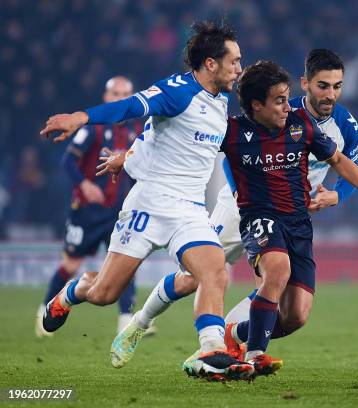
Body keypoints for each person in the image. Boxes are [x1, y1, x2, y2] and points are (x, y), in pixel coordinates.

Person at [108, 49, 358, 372]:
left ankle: (227, 342)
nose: (330, 94)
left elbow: (349, 168)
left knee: (275, 287)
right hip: (240, 207)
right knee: (192, 278)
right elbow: (223, 148)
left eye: (337, 86)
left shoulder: (347, 126)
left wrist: (337, 196)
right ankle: (139, 323)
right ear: (306, 84)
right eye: (323, 85)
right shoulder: (281, 108)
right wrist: (242, 192)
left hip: (285, 214)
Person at [39, 21, 253, 381]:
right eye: (234, 61)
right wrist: (81, 117)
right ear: (211, 63)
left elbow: (163, 136)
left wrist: (129, 155)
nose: (239, 68)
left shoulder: (220, 103)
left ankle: (212, 349)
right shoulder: (177, 90)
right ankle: (70, 292)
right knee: (105, 293)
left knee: (215, 270)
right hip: (148, 203)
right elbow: (130, 108)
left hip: (189, 209)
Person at [219, 60, 358, 375]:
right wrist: (131, 158)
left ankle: (234, 334)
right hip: (258, 215)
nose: (288, 107)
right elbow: (185, 143)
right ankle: (253, 354)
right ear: (257, 105)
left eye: (287, 98)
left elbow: (340, 161)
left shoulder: (302, 127)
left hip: (298, 222)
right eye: (279, 101)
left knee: (296, 315)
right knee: (275, 269)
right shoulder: (232, 130)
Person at [35, 76, 148, 338]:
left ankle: (126, 319)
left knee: (125, 263)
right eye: (115, 93)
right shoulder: (92, 129)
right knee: (71, 264)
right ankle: (46, 308)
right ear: (106, 97)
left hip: (118, 211)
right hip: (87, 211)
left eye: (126, 94)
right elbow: (67, 162)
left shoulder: (137, 131)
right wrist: (85, 185)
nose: (120, 98)